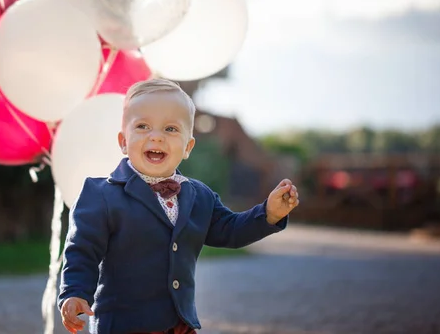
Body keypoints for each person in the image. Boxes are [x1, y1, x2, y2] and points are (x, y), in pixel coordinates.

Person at [58, 78, 299, 334]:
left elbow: (231, 230)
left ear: (188, 146)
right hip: (122, 325)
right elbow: (82, 251)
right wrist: (74, 292)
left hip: (179, 325)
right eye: (142, 126)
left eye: (171, 129)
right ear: (123, 141)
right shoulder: (101, 194)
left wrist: (269, 214)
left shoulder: (198, 195)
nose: (156, 137)